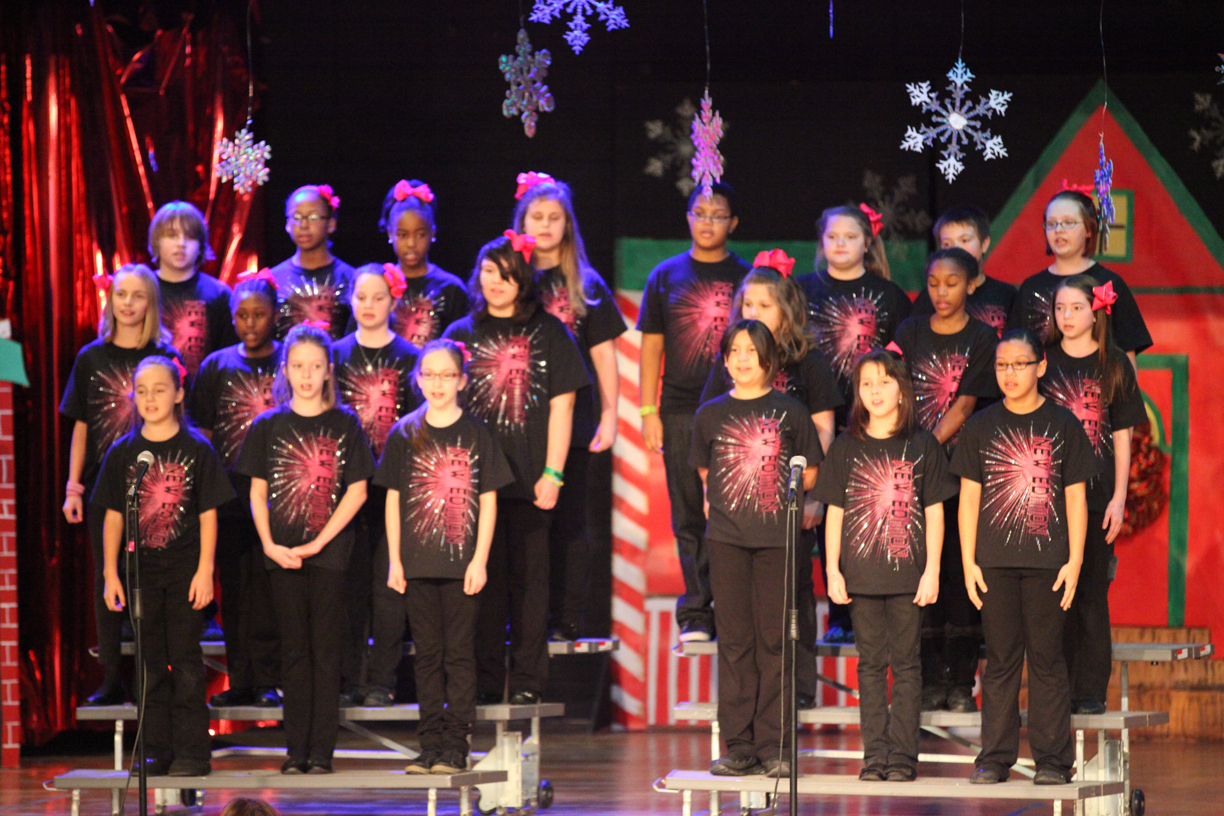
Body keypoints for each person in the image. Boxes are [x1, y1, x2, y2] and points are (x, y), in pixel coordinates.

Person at [442, 233, 589, 704]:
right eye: (489, 272)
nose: (496, 282)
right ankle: (486, 684)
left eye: (506, 275)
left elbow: (564, 406)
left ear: (522, 280)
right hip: (471, 486)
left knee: (530, 586)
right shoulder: (461, 333)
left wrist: (554, 473)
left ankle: (527, 682)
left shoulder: (550, 332)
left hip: (528, 479)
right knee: (482, 587)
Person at [952, 329, 1098, 785]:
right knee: (1000, 661)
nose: (1009, 373)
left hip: (1048, 563)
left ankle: (1052, 761)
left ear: (1040, 367)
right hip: (994, 562)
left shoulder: (1062, 424)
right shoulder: (980, 426)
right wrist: (969, 561)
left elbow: (1075, 498)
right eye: (1002, 365)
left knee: (1048, 660)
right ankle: (994, 758)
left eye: (1019, 364)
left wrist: (1074, 560)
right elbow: (968, 499)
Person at [699, 251, 842, 706]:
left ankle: (796, 690)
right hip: (741, 510)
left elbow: (823, 431)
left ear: (787, 311)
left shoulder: (808, 362)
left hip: (790, 504)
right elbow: (710, 432)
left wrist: (816, 496)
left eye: (765, 305)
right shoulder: (732, 362)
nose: (754, 313)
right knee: (744, 610)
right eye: (748, 305)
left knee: (793, 594)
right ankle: (751, 697)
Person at [237, 324, 375, 774]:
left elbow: (357, 491)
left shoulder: (345, 423)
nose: (307, 375)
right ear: (286, 370)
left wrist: (319, 541)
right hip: (281, 554)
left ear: (329, 370)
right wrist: (269, 544)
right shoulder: (268, 424)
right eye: (298, 366)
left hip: (330, 555)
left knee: (326, 651)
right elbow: (257, 492)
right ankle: (296, 750)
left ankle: (321, 752)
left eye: (315, 366)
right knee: (294, 651)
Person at [815, 348, 957, 782]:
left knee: (908, 665)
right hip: (861, 576)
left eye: (884, 382)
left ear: (902, 390)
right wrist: (833, 570)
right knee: (870, 666)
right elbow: (834, 512)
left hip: (909, 576)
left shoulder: (922, 444)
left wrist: (932, 569)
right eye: (866, 384)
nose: (875, 392)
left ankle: (903, 758)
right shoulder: (846, 446)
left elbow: (935, 512)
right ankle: (875, 756)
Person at [692, 319, 823, 779]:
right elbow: (706, 474)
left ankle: (775, 746)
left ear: (769, 359)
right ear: (725, 360)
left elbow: (810, 474)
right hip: (727, 541)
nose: (742, 358)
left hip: (777, 542)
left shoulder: (791, 412)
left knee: (775, 642)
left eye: (751, 350)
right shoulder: (709, 414)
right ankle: (740, 746)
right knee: (734, 642)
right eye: (735, 351)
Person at [379, 339, 514, 774]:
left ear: (462, 380)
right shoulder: (404, 432)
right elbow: (393, 499)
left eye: (446, 375)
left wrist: (479, 560)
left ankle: (456, 745)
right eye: (430, 375)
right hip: (417, 564)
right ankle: (430, 745)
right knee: (427, 657)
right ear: (418, 380)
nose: (437, 383)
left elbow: (488, 499)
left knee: (458, 655)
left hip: (461, 566)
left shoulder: (476, 433)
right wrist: (396, 560)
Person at [96, 356, 234, 776]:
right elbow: (113, 517)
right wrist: (110, 573)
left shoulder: (197, 450)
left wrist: (205, 571)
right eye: (142, 391)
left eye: (159, 390)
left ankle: (192, 752)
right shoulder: (124, 452)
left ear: (177, 393)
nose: (150, 398)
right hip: (141, 574)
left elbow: (208, 515)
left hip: (184, 572)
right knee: (149, 664)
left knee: (186, 662)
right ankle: (154, 749)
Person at [60, 263, 181, 706]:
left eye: (138, 296)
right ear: (110, 301)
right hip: (103, 487)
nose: (128, 303)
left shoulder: (166, 357)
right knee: (107, 573)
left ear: (151, 303)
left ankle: (156, 678)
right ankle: (112, 677)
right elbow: (82, 426)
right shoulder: (91, 357)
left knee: (154, 573)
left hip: (158, 486)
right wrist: (73, 487)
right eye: (121, 295)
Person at [513, 173, 626, 641]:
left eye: (553, 217)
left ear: (567, 224)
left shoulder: (585, 282)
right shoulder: (513, 279)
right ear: (521, 222)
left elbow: (603, 355)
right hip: (519, 420)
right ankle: (521, 617)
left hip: (574, 420)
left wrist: (611, 414)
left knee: (570, 523)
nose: (544, 225)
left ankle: (566, 618)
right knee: (523, 525)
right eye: (536, 217)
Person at [637, 181, 751, 643]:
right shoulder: (665, 275)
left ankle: (736, 607)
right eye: (700, 213)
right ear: (688, 218)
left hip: (737, 409)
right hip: (681, 409)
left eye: (718, 215)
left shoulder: (747, 276)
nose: (708, 222)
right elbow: (651, 346)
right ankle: (697, 612)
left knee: (737, 510)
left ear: (733, 223)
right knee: (688, 514)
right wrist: (648, 409)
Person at [797, 204, 912, 643]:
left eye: (850, 236)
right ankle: (839, 618)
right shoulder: (802, 290)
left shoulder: (890, 296)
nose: (840, 243)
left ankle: (876, 617)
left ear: (868, 241)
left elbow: (902, 363)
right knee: (823, 519)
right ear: (821, 242)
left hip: (871, 422)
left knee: (866, 522)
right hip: (815, 420)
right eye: (832, 237)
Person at [892, 248, 999, 712]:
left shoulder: (982, 337)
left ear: (971, 285)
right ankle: (929, 679)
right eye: (934, 283)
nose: (941, 292)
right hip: (912, 477)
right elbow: (894, 389)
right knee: (920, 572)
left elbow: (965, 405)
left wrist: (927, 448)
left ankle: (961, 681)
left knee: (958, 573)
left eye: (952, 283)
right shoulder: (910, 332)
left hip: (960, 474)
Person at [1041, 274, 1146, 715]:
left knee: (1090, 595)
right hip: (1047, 498)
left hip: (1097, 495)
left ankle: (1089, 691)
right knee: (1054, 596)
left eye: (1076, 308)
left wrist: (1119, 497)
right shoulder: (1042, 361)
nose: (1066, 316)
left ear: (1095, 312)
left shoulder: (1113, 362)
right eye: (1060, 308)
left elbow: (1121, 436)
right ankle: (1058, 689)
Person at [189, 273, 283, 708]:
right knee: (236, 592)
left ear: (275, 315)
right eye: (242, 315)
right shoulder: (216, 365)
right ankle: (242, 679)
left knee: (268, 593)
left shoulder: (287, 361)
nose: (250, 323)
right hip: (228, 497)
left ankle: (269, 679)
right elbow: (204, 432)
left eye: (259, 314)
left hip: (276, 497)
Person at [332, 264, 421, 706]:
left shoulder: (409, 357)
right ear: (350, 299)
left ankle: (382, 681)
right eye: (361, 297)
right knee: (348, 588)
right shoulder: (334, 356)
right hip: (344, 490)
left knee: (389, 589)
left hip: (393, 489)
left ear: (393, 301)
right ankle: (348, 679)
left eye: (378, 298)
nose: (369, 306)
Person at [1008, 190, 1151, 368]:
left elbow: (1127, 360)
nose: (1058, 230)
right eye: (1051, 224)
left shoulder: (1110, 284)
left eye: (1069, 222)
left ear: (1089, 230)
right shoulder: (1031, 287)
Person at [147, 201, 237, 376]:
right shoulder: (141, 289)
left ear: (201, 245)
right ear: (157, 241)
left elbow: (229, 357)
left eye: (189, 237)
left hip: (205, 391)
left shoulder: (219, 294)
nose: (181, 243)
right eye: (172, 236)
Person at [375, 179, 470, 344]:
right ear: (390, 233)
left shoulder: (451, 289)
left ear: (432, 233)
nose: (411, 243)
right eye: (403, 235)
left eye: (420, 234)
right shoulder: (378, 284)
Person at [910, 205, 1015, 338]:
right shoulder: (930, 298)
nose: (956, 249)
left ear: (984, 244)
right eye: (947, 244)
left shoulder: (1006, 294)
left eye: (964, 240)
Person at [269, 184, 357, 340]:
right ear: (287, 224)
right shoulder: (273, 280)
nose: (303, 225)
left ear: (331, 224)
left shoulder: (351, 278)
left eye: (313, 217)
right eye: (297, 217)